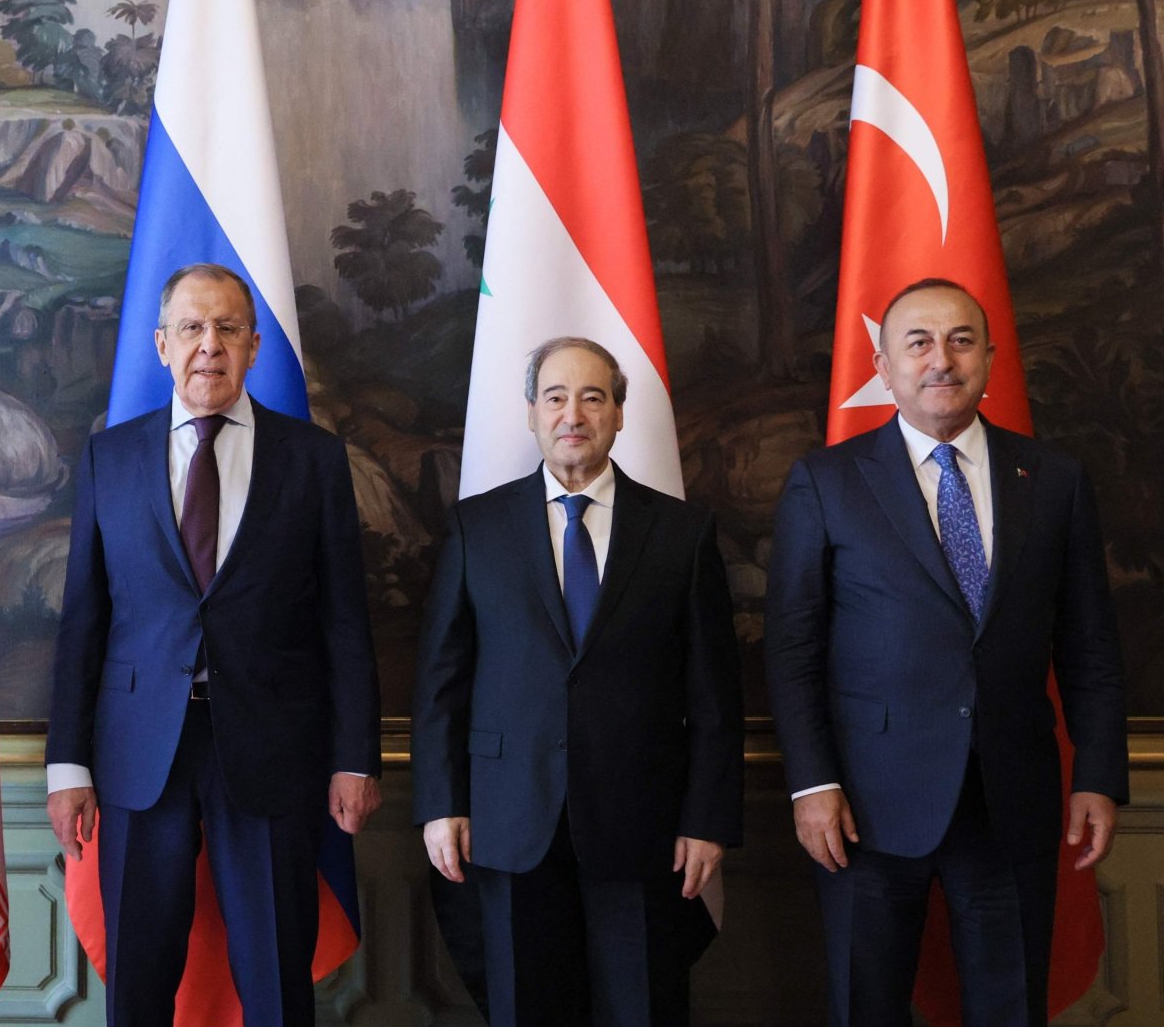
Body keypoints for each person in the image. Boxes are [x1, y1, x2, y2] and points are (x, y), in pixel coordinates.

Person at [765, 279, 1128, 1026]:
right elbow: (794, 648)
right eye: (919, 343)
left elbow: (1089, 644)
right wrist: (811, 784)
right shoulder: (826, 481)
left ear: (990, 358)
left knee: (1010, 1005)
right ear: (884, 364)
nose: (942, 360)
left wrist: (1098, 774)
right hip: (864, 806)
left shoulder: (1053, 481)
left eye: (961, 340)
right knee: (867, 1005)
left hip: (1010, 800)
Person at [44, 262, 382, 1026]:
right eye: (192, 328)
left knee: (274, 982)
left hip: (272, 749)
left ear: (256, 346)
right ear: (162, 345)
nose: (210, 345)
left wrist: (356, 756)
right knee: (138, 983)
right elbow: (84, 620)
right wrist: (67, 762)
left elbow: (344, 622)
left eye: (228, 328)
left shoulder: (314, 460)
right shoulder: (111, 457)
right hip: (137, 756)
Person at [413, 336, 743, 1027]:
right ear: (532, 412)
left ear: (619, 414)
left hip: (642, 824)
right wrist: (440, 802)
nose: (574, 414)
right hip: (510, 820)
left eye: (594, 397)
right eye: (557, 397)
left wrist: (706, 818)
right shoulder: (479, 527)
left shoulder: (680, 533)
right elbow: (443, 679)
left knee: (642, 1009)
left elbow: (714, 694)